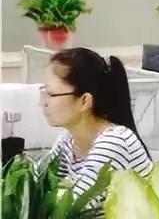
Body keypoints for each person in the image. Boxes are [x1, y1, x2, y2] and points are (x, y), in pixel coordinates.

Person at [39, 48, 152, 195]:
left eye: (51, 94)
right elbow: (36, 187)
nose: (43, 103)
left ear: (84, 101)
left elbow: (77, 204)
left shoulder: (114, 143)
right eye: (43, 92)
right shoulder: (67, 141)